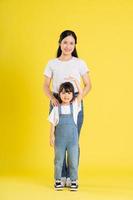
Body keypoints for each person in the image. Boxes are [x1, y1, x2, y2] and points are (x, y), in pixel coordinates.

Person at [43, 30, 91, 187]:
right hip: (57, 100)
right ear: (59, 43)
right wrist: (52, 99)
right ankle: (61, 176)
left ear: (75, 45)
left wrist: (79, 98)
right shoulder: (52, 63)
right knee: (59, 141)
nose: (68, 46)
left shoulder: (79, 63)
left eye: (71, 43)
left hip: (75, 100)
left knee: (73, 140)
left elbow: (88, 84)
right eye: (65, 42)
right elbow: (45, 85)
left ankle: (72, 176)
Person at [48, 79, 82, 191]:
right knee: (58, 160)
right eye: (63, 92)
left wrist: (75, 81)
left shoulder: (75, 107)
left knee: (73, 160)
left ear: (72, 94)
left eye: (69, 92)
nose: (66, 95)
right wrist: (51, 136)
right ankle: (58, 180)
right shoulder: (56, 108)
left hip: (72, 140)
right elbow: (53, 123)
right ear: (59, 94)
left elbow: (81, 93)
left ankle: (73, 180)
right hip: (60, 140)